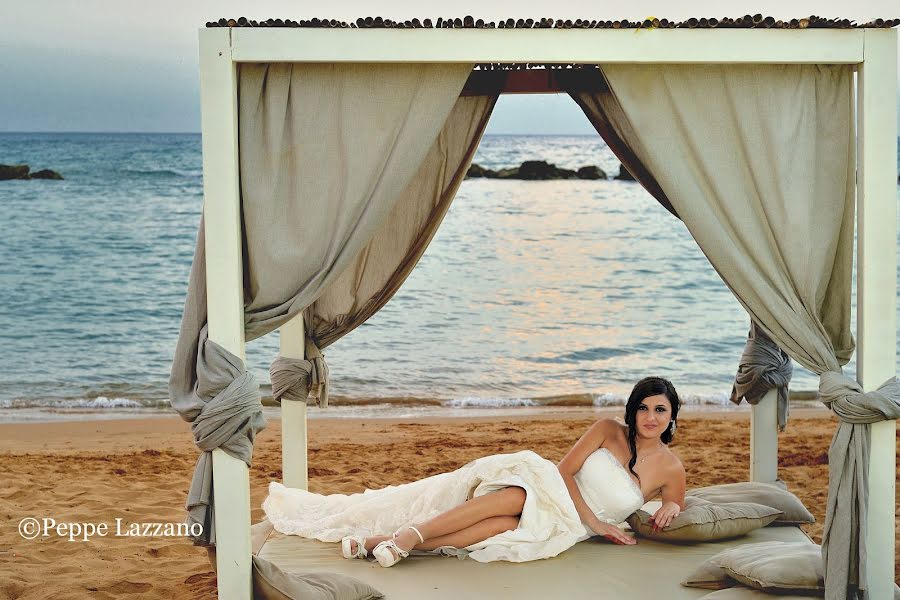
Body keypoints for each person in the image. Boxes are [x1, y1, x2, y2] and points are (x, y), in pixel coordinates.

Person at [262, 376, 686, 568]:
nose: (650, 417)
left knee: (499, 526)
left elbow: (676, 502)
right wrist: (593, 518)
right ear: (633, 409)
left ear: (671, 417)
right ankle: (408, 536)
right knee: (513, 499)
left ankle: (383, 542)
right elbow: (563, 470)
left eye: (659, 410)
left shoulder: (672, 468)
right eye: (644, 408)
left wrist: (671, 507)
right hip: (556, 491)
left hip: (572, 526)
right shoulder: (608, 430)